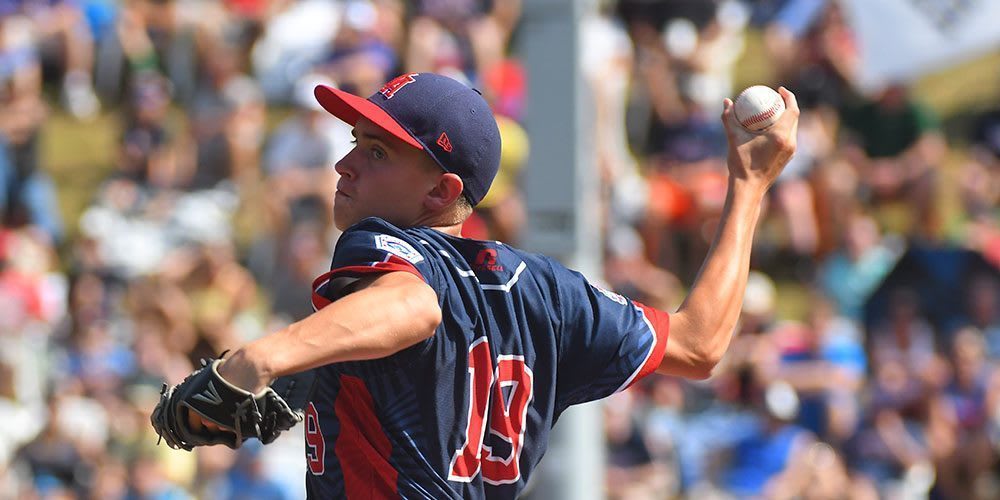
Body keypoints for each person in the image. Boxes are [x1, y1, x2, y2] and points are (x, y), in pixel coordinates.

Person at [180, 72, 799, 498]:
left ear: (442, 192)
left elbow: (414, 304)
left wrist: (260, 359)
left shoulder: (384, 246)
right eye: (355, 143)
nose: (345, 165)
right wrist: (747, 188)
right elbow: (700, 343)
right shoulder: (551, 293)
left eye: (377, 153)